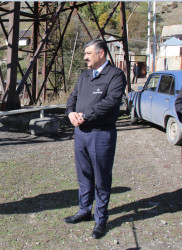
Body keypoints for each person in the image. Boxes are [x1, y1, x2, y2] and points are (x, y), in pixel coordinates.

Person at [65, 39, 126, 239]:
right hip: (81, 134)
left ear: (101, 53)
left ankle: (101, 219)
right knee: (84, 175)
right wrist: (71, 113)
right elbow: (72, 98)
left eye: (88, 53)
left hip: (101, 134)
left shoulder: (116, 76)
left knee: (101, 177)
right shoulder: (84, 76)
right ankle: (84, 210)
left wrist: (85, 115)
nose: (85, 57)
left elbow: (111, 102)